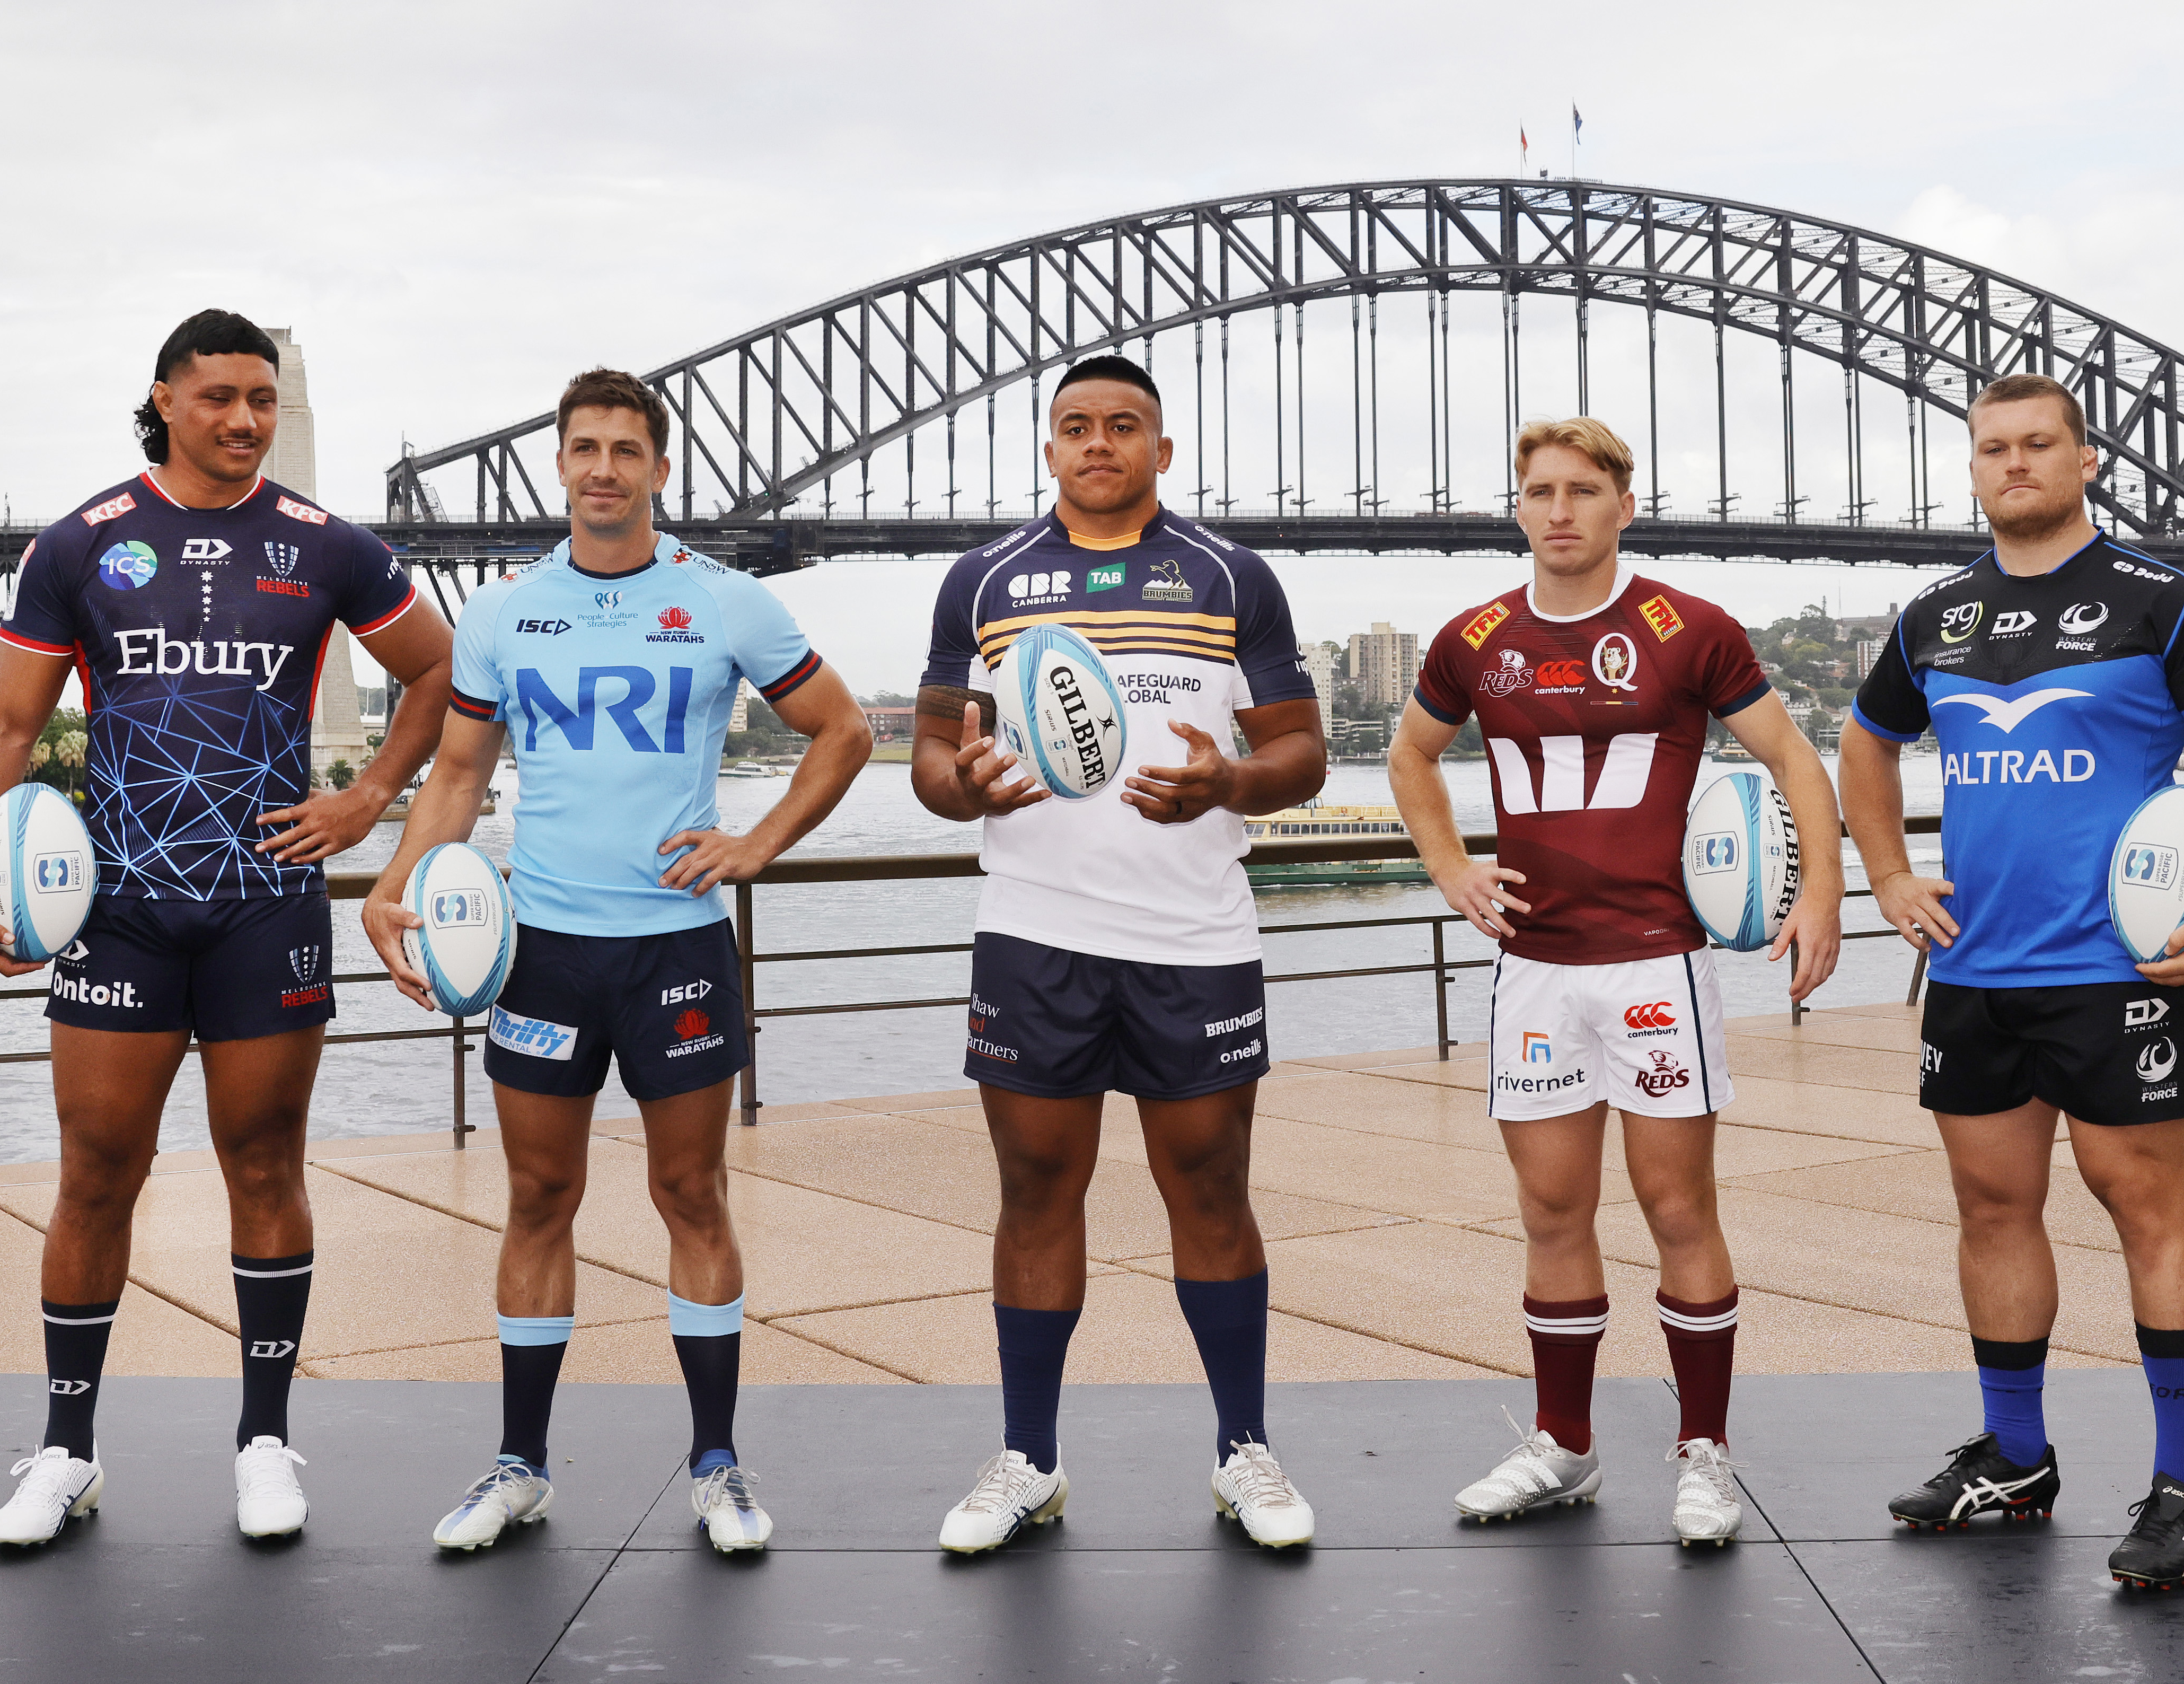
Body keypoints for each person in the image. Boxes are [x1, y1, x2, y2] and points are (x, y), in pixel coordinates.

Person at [0, 309, 454, 1545]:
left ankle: (266, 1440)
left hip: (265, 903)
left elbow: (438, 671)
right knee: (96, 1170)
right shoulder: (82, 545)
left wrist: (369, 798)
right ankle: (66, 1451)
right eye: (219, 396)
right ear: (165, 399)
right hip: (117, 910)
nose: (245, 420)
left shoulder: (331, 548)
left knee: (266, 1162)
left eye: (264, 399)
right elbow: (6, 724)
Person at [364, 369, 868, 1556]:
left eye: (625, 450)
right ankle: (520, 1464)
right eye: (583, 447)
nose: (603, 468)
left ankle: (717, 1465)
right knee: (540, 1197)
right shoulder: (502, 611)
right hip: (537, 951)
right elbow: (460, 771)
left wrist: (757, 842)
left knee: (691, 1194)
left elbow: (842, 732)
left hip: (678, 948)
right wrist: (399, 880)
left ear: (658, 466)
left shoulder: (729, 602)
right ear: (560, 462)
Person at [1840, 372, 2184, 1590]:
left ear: (2084, 459)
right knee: (1991, 1209)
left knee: (2142, 1201)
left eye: (2039, 444)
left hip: (2117, 965)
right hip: (1975, 965)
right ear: (1975, 467)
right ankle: (2018, 1457)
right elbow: (1864, 743)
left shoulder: (2162, 600)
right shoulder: (1934, 615)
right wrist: (1887, 871)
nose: (2015, 464)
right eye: (1993, 448)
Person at [1389, 416, 1844, 1546]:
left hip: (1655, 960)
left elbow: (1794, 760)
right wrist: (1451, 866)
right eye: (1538, 489)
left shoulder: (1687, 629)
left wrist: (1824, 897)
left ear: (1621, 505)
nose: (1558, 510)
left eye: (1581, 490)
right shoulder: (1474, 637)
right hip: (1534, 968)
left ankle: (1706, 1455)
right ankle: (1566, 1447)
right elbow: (1410, 756)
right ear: (1518, 505)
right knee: (1553, 1212)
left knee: (1678, 1206)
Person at [911, 354, 1327, 1552]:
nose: (1100, 444)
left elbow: (1301, 754)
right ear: (1050, 449)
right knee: (1036, 1191)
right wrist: (963, 781)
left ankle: (1243, 1448)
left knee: (1209, 1187)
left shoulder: (1229, 576)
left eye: (1124, 426)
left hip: (1194, 935)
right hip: (1036, 934)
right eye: (1077, 427)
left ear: (1163, 449)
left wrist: (1228, 784)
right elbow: (941, 762)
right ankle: (1028, 1460)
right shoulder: (981, 581)